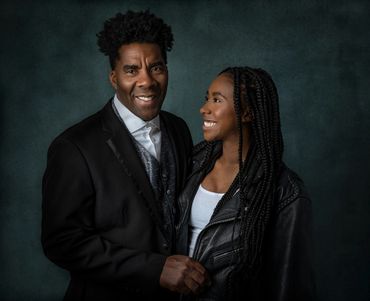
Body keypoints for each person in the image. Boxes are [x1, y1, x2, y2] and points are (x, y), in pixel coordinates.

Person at [41, 10, 209, 301]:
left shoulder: (178, 129)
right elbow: (62, 242)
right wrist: (154, 269)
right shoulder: (74, 147)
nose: (147, 81)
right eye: (132, 70)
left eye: (156, 67)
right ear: (113, 77)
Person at [176, 66, 316, 300]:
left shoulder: (284, 191)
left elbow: (290, 284)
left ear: (247, 113)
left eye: (217, 100)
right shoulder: (192, 164)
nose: (204, 109)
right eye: (207, 98)